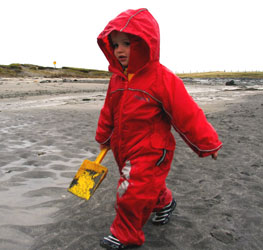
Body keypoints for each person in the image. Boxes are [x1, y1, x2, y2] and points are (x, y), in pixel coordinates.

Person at [95, 8, 222, 249]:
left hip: (153, 150)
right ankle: (164, 202)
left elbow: (187, 114)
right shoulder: (117, 80)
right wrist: (104, 137)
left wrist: (207, 143)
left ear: (144, 43)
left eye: (127, 43)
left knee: (131, 192)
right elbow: (108, 112)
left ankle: (125, 235)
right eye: (115, 45)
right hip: (125, 149)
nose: (119, 50)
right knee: (145, 185)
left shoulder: (162, 78)